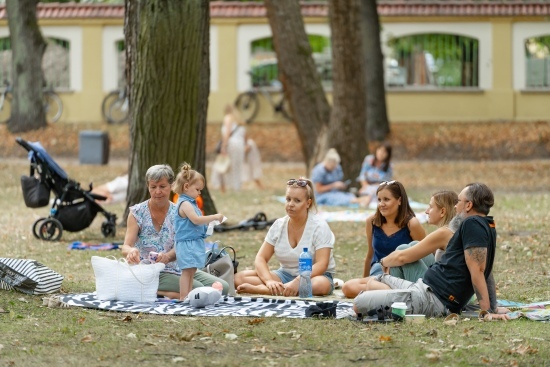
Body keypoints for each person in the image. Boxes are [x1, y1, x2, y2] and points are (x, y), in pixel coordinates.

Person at [352, 183, 510, 321]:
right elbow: (485, 270)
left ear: (468, 205)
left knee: (358, 303)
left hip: (431, 299)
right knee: (378, 278)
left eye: (459, 202)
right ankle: (396, 296)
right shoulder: (486, 225)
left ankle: (397, 298)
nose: (455, 206)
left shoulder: (472, 224)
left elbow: (479, 270)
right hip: (424, 287)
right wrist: (493, 307)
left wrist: (487, 311)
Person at [121, 164, 229, 300]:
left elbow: (184, 241)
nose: (157, 191)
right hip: (151, 271)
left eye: (162, 186)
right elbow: (126, 246)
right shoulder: (137, 213)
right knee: (197, 289)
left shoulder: (180, 211)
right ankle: (157, 291)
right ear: (148, 186)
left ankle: (158, 292)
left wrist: (167, 256)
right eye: (153, 187)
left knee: (222, 288)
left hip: (179, 266)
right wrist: (131, 251)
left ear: (171, 186)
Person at [234, 177, 336, 297]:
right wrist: (269, 281)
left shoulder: (319, 226)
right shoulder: (279, 225)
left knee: (319, 285)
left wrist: (297, 282)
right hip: (284, 276)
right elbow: (260, 258)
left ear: (308, 203)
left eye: (297, 201)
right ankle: (280, 288)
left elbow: (322, 264)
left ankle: (266, 291)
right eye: (288, 199)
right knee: (240, 278)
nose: (290, 204)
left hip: (314, 277)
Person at [342, 180, 426, 298]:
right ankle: (391, 294)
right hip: (377, 273)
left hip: (401, 275)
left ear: (400, 200)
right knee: (347, 287)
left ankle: (388, 293)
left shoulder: (412, 223)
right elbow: (370, 255)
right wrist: (363, 278)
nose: (381, 204)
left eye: (386, 199)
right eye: (379, 200)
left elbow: (426, 255)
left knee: (360, 288)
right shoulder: (372, 221)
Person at [172, 163, 225, 301]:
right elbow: (196, 220)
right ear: (186, 186)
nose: (199, 193)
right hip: (186, 243)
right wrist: (214, 217)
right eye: (197, 189)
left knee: (192, 270)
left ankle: (188, 295)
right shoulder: (185, 204)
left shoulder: (191, 203)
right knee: (187, 271)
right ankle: (183, 296)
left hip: (193, 242)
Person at [379, 190, 458, 282]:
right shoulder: (451, 230)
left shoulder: (443, 233)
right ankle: (395, 287)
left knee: (401, 255)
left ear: (442, 211)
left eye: (430, 207)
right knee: (412, 245)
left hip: (442, 289)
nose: (426, 211)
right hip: (447, 281)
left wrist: (382, 262)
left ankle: (395, 290)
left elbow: (401, 257)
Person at [210, 104, 247, 192]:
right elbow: (245, 136)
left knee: (222, 164)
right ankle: (236, 187)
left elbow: (227, 132)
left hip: (231, 144)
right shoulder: (239, 121)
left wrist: (223, 146)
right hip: (240, 145)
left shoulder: (228, 118)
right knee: (236, 166)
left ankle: (222, 186)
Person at [357, 142, 393, 207]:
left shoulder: (389, 166)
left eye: (384, 152)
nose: (381, 153)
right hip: (366, 186)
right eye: (380, 150)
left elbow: (386, 182)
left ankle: (366, 200)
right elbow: (362, 175)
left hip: (379, 187)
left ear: (388, 154)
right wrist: (365, 186)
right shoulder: (369, 159)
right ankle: (365, 199)